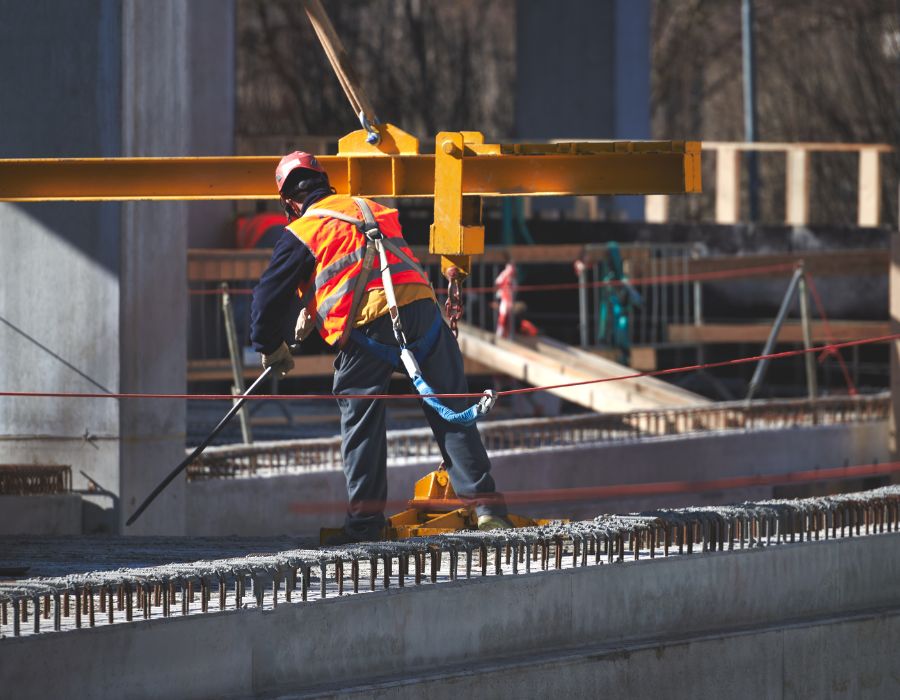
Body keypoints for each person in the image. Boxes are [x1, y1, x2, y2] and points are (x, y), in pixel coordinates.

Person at [250, 151, 509, 543]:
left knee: (361, 422)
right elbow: (361, 261)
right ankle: (488, 510)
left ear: (288, 201)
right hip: (423, 311)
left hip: (370, 325)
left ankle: (365, 526)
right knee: (452, 408)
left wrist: (270, 345)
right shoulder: (371, 208)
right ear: (324, 183)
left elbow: (267, 298)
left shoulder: (303, 229)